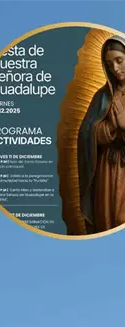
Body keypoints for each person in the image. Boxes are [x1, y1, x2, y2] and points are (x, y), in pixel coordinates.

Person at [78, 36, 125, 233]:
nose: (115, 68)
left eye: (119, 60)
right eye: (109, 64)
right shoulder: (103, 96)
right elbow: (85, 133)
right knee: (106, 219)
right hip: (107, 168)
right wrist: (110, 128)